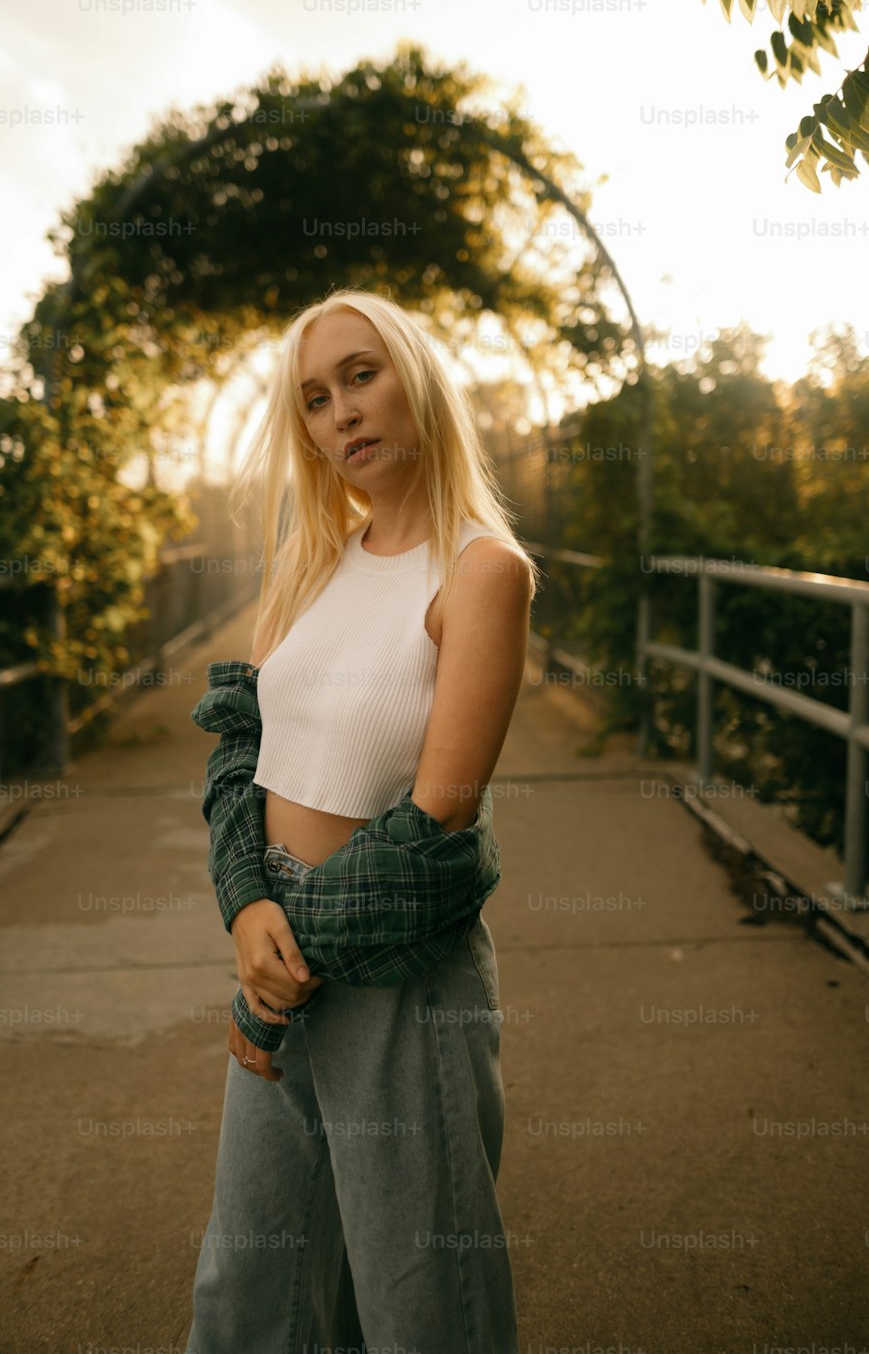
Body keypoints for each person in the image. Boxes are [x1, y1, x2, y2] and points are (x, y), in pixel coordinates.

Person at [185, 287, 539, 1354]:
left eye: (360, 375)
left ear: (416, 379)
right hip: (281, 955)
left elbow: (436, 819)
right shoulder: (311, 561)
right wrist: (247, 905)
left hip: (394, 974)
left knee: (419, 1304)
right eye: (312, 397)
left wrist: (274, 982)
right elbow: (240, 748)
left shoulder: (481, 572)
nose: (340, 412)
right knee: (250, 1287)